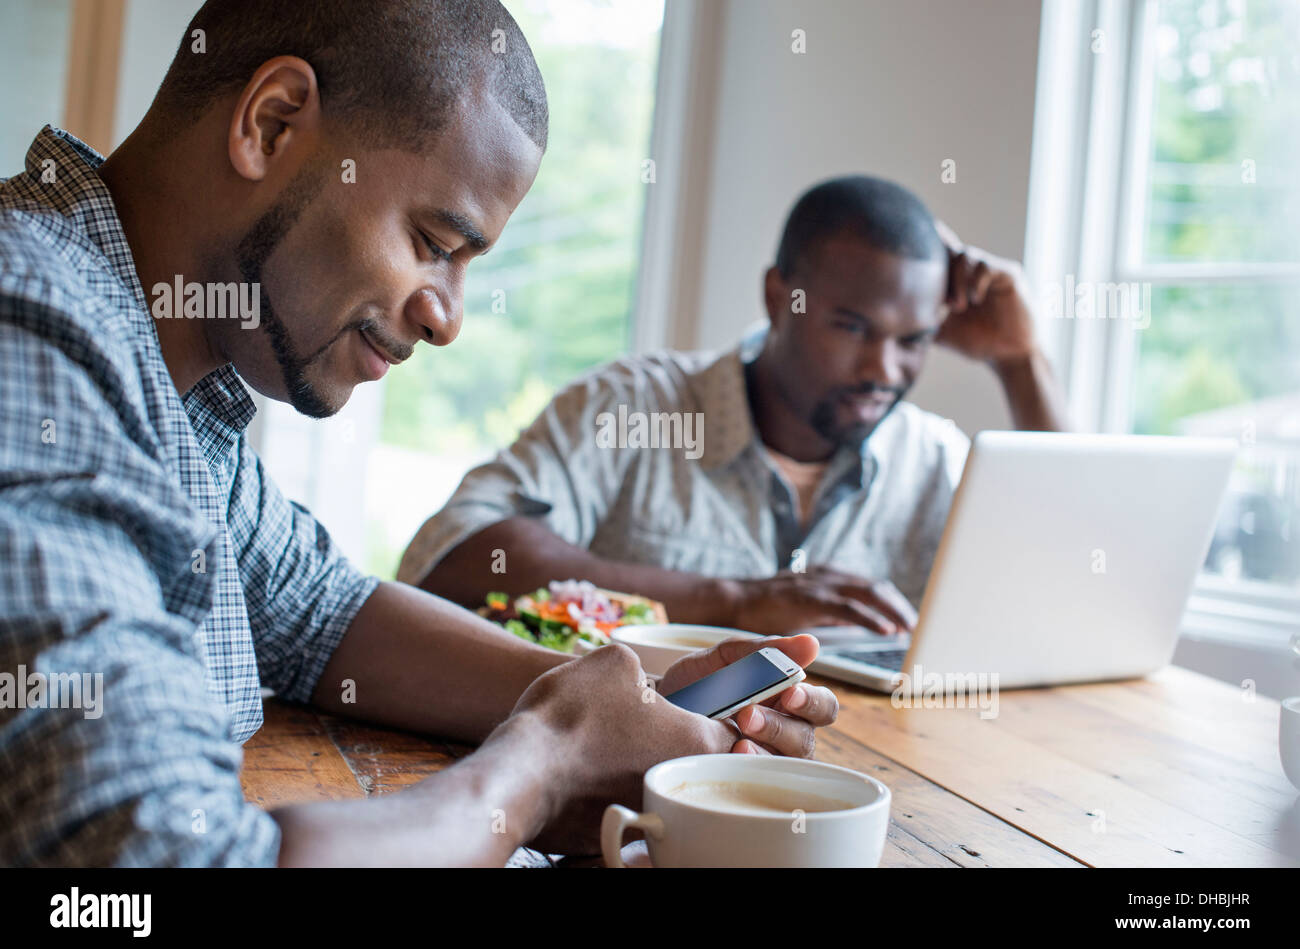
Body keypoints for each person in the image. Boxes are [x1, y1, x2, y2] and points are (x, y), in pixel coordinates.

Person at [0, 0, 838, 867]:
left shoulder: (165, 370)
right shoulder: (26, 325)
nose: (448, 320)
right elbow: (140, 864)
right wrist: (541, 770)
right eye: (434, 241)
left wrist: (637, 703)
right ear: (272, 122)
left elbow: (320, 612)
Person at [400, 176, 1070, 636]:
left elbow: (1071, 593)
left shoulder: (933, 460)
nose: (883, 371)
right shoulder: (635, 406)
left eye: (914, 340)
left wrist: (1019, 363)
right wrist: (736, 601)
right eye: (852, 327)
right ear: (780, 296)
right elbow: (449, 558)